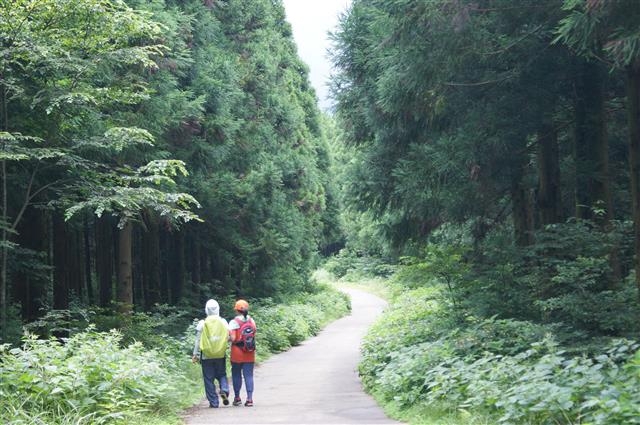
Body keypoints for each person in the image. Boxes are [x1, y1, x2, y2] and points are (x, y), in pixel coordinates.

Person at [192, 299, 230, 408]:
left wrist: (196, 354)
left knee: (208, 379)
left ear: (206, 310)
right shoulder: (223, 322)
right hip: (220, 354)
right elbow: (228, 336)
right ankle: (224, 390)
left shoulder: (202, 323)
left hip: (206, 355)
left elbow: (198, 341)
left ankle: (214, 402)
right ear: (218, 309)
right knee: (222, 374)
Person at [228, 299, 257, 407]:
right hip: (249, 351)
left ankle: (237, 398)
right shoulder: (251, 320)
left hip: (237, 352)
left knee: (236, 375)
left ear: (236, 310)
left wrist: (228, 339)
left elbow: (233, 338)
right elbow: (254, 332)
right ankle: (249, 399)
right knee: (249, 376)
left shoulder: (234, 322)